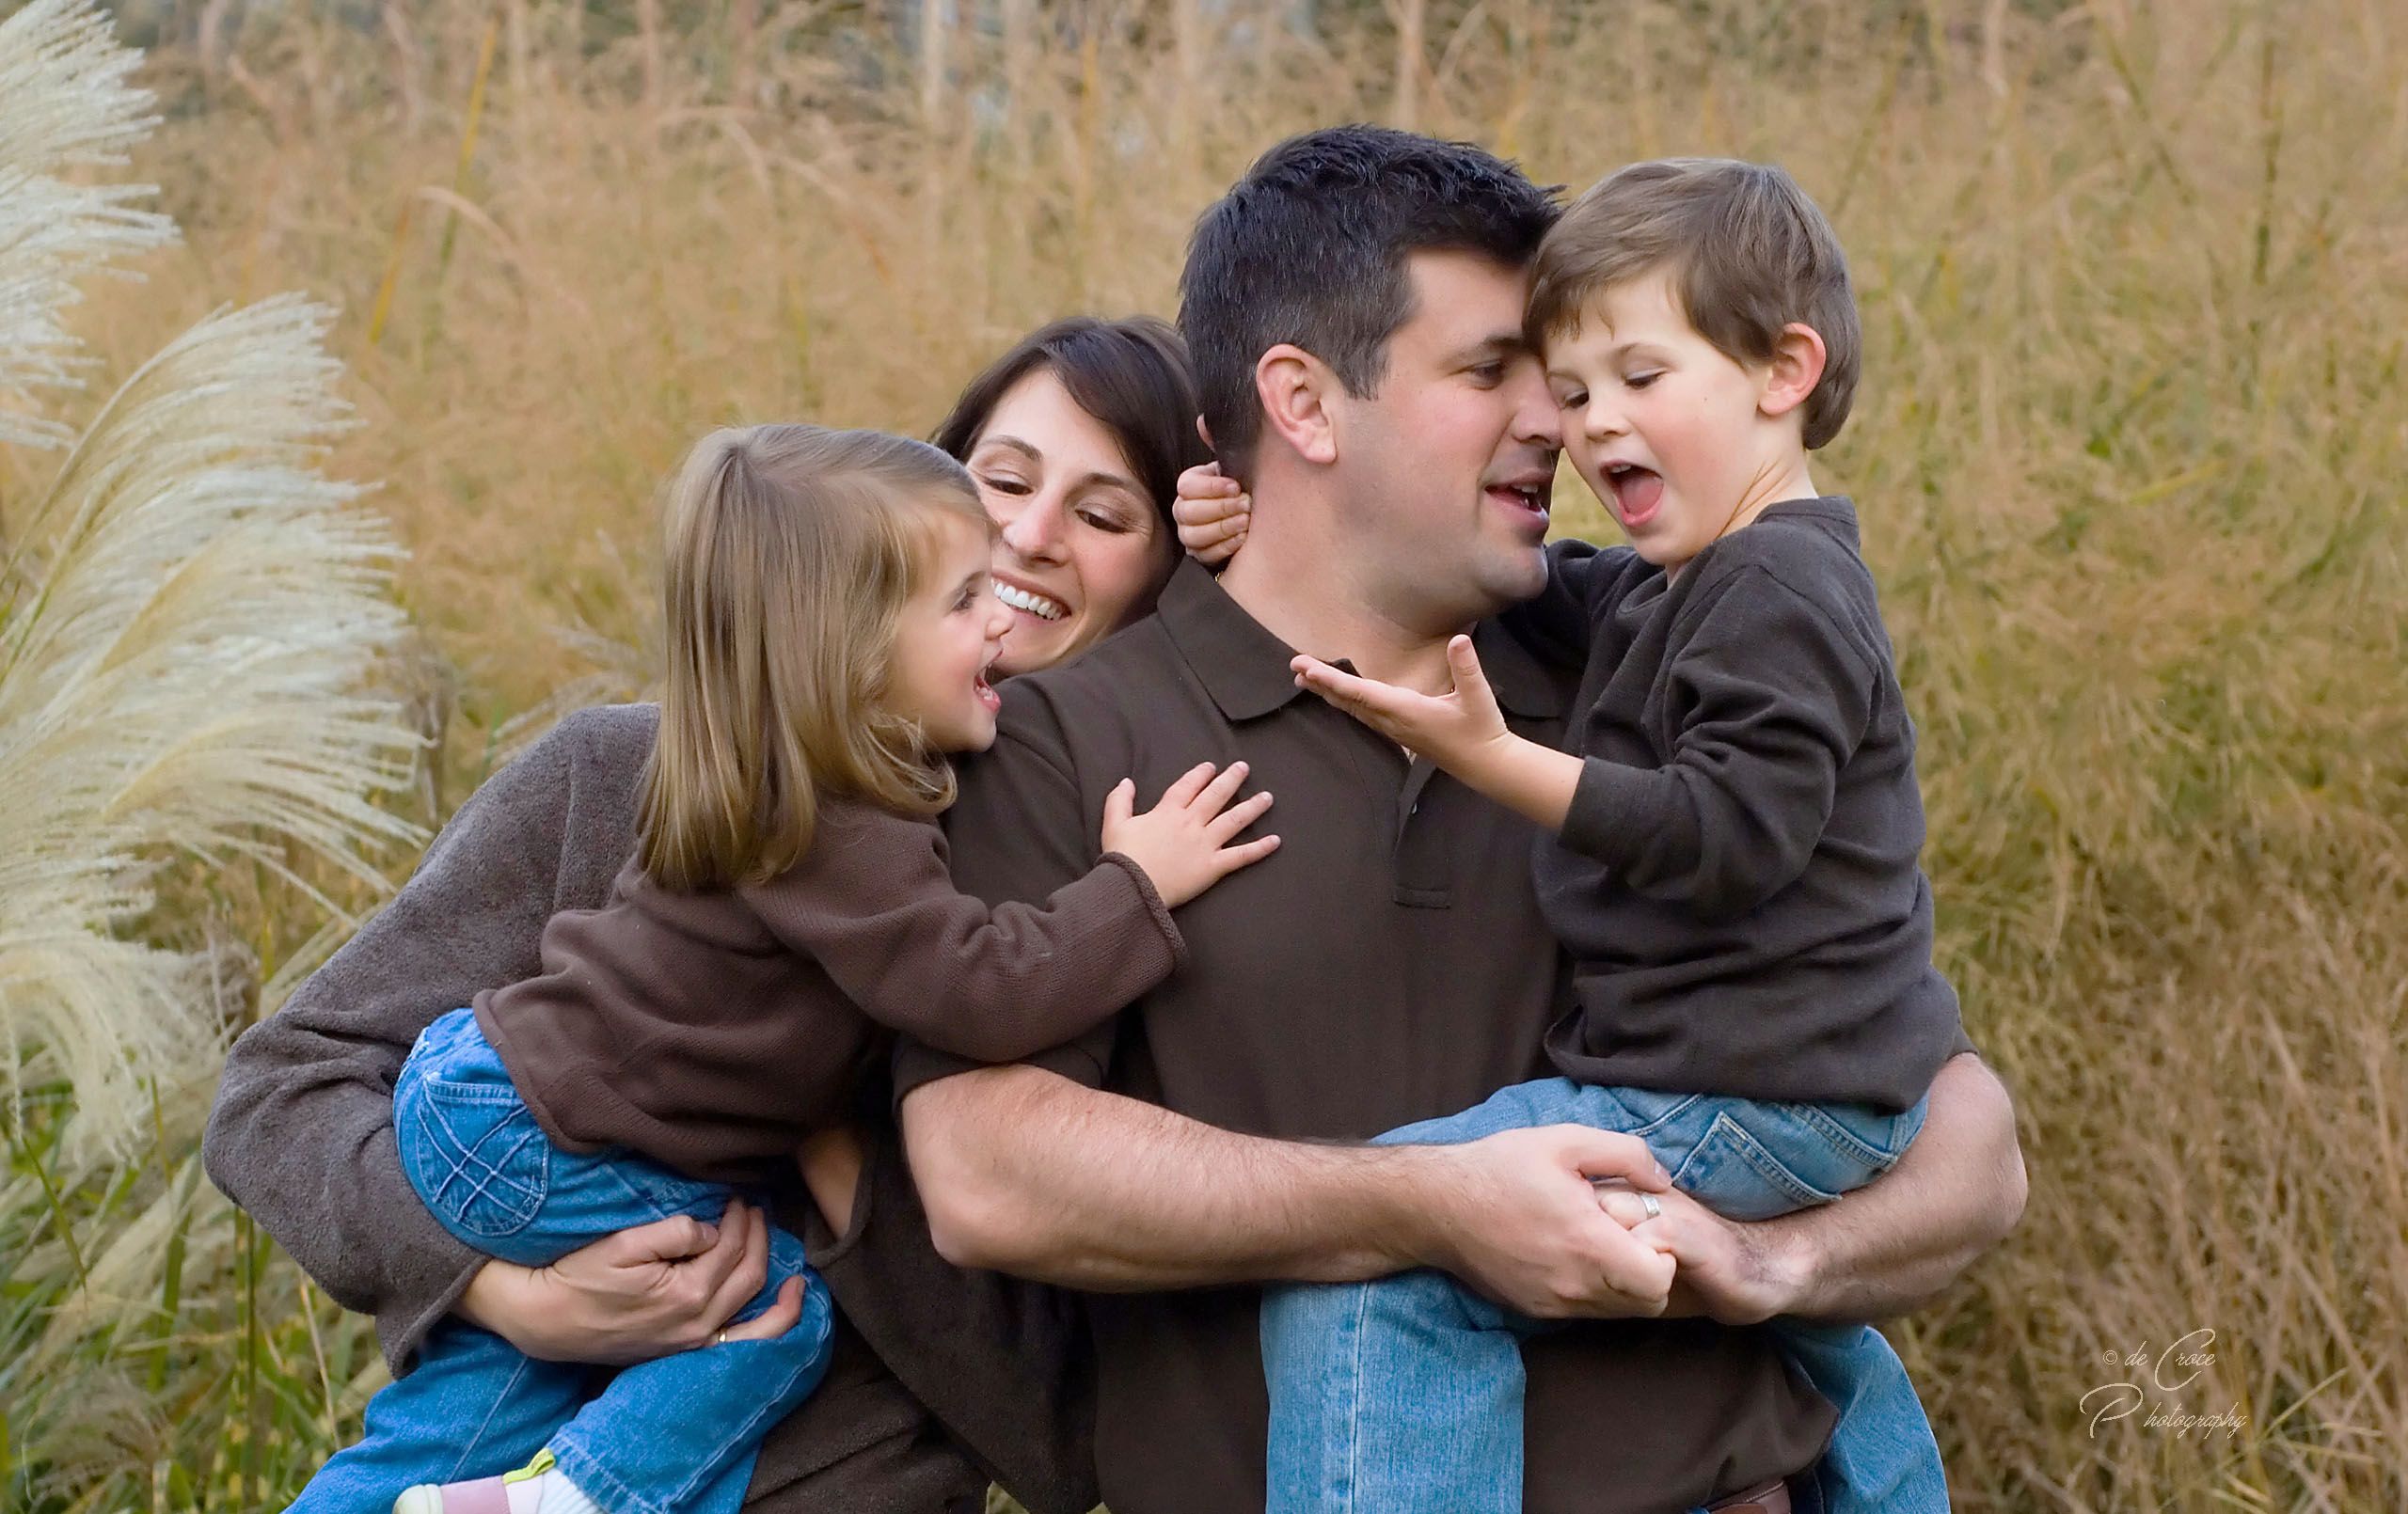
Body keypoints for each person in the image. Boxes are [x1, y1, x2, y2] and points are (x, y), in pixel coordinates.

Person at [889, 125, 2025, 1514]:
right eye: (1493, 372)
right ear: (1303, 405)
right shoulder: (1070, 735)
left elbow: (1963, 1133)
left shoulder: (1646, 658)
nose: (1560, 417)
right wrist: (1425, 1206)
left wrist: (1785, 1265)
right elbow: (984, 1173)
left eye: (1574, 372)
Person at [203, 318, 1221, 1514]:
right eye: (1000, 483)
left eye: (1105, 517)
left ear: (1165, 584)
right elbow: (279, 1092)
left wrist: (841, 1162)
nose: (1030, 538)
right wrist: (498, 1286)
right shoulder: (636, 775)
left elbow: (1058, 1440)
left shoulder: (1146, 917)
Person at [1179, 156, 1958, 1513]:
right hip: (1780, 1092)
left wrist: (1496, 760)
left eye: (1639, 379)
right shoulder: (1698, 577)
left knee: (1385, 1257)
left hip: (1747, 1091)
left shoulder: (1780, 588)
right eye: (1573, 386)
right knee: (1796, 1322)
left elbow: (1731, 831)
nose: (1585, 425)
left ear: (1785, 370)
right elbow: (1555, 591)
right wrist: (1254, 510)